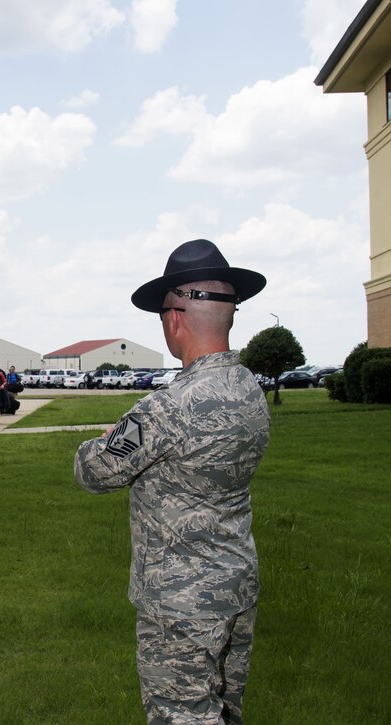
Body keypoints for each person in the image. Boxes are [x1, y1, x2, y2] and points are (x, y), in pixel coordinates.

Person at [73, 239, 270, 724]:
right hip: (235, 587)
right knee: (224, 711)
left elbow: (92, 471)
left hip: (180, 605)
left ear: (174, 317)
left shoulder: (168, 407)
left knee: (181, 715)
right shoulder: (249, 389)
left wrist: (107, 438)